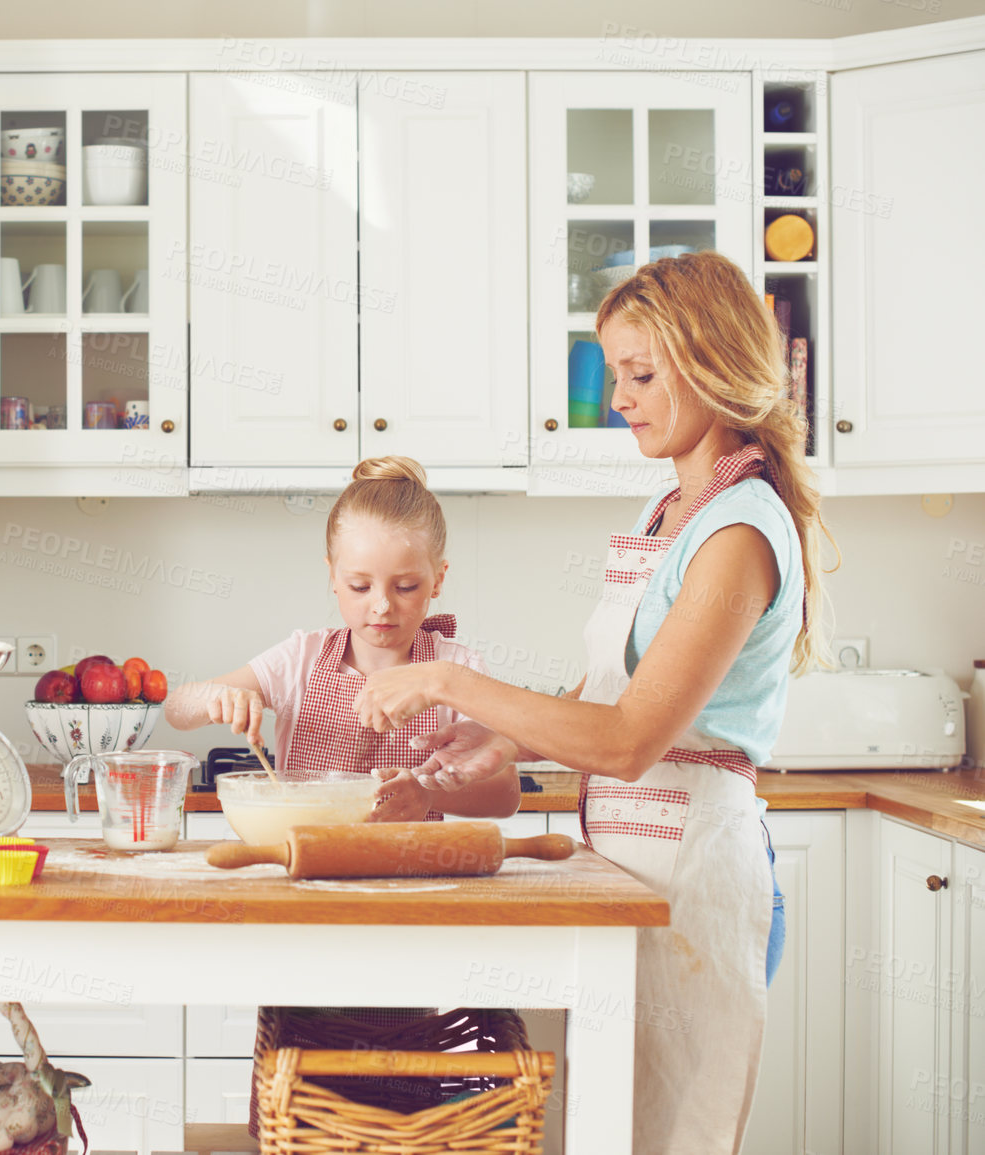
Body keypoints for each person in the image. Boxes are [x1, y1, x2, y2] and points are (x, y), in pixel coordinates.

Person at [351, 250, 829, 1154]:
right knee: (606, 1128)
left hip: (692, 878)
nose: (619, 396)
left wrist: (446, 678)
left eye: (640, 373)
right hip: (627, 866)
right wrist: (495, 741)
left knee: (668, 1135)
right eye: (617, 373)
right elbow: (601, 694)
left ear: (712, 359)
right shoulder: (673, 512)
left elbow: (626, 739)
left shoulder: (738, 531)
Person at [164, 455, 519, 821]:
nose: (382, 606)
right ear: (333, 576)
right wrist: (219, 699)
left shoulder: (458, 670)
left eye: (406, 586)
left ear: (438, 580)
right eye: (360, 586)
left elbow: (505, 796)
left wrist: (428, 793)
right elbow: (177, 709)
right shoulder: (300, 660)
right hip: (309, 866)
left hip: (414, 874)